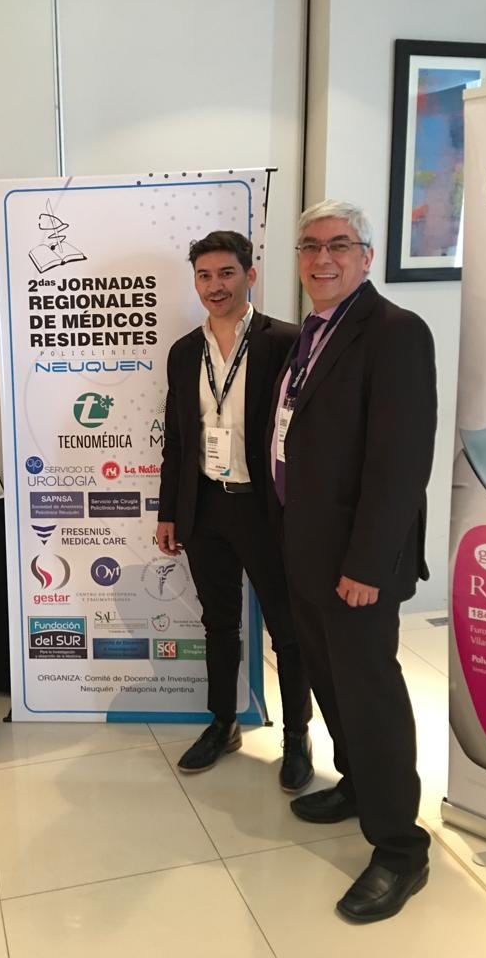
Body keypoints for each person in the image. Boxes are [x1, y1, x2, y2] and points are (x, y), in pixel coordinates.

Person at [271, 199, 437, 922]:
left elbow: (399, 464)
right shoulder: (313, 331)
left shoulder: (395, 332)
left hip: (356, 563)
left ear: (367, 256)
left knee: (369, 692)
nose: (322, 258)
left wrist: (368, 564)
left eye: (339, 244)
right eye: (310, 246)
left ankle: (400, 847)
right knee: (330, 678)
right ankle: (359, 783)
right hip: (306, 548)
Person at [157, 230, 313, 791]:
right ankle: (223, 723)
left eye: (226, 273)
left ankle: (297, 735)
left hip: (266, 511)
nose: (214, 286)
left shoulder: (287, 342)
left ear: (250, 275)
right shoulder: (183, 352)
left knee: (287, 629)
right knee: (218, 623)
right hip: (205, 508)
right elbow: (177, 439)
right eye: (204, 276)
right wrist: (168, 511)